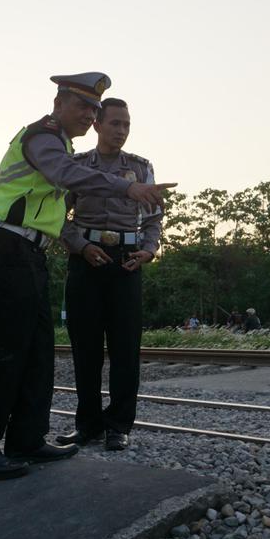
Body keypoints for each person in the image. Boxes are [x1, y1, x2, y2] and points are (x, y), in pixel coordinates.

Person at [0, 73, 175, 480]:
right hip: (5, 249)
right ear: (59, 103)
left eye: (95, 108)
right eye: (84, 107)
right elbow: (66, 176)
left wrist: (145, 245)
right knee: (6, 354)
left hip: (29, 253)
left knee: (38, 353)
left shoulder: (66, 143)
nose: (90, 114)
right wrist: (125, 192)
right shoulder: (44, 138)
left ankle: (27, 438)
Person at [56, 98, 162, 452]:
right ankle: (87, 425)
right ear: (97, 124)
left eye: (126, 125)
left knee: (125, 348)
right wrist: (80, 247)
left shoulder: (141, 168)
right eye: (115, 123)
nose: (121, 131)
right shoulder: (76, 166)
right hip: (86, 260)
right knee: (85, 347)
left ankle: (119, 425)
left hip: (127, 261)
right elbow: (59, 216)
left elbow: (152, 218)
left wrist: (148, 250)